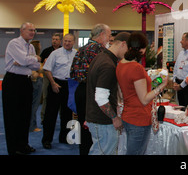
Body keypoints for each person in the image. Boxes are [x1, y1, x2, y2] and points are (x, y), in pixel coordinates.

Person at [116, 32, 168, 155]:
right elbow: (144, 99)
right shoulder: (136, 68)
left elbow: (127, 91)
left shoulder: (121, 64)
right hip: (139, 117)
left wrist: (158, 81)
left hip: (128, 115)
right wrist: (162, 86)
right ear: (142, 49)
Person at [70, 23, 111, 155]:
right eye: (109, 35)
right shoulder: (99, 50)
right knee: (94, 128)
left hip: (80, 90)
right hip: (93, 92)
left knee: (83, 126)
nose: (110, 39)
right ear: (102, 35)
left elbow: (72, 73)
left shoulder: (81, 49)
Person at [85, 32, 130, 155]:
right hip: (102, 120)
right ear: (123, 44)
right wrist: (114, 118)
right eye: (128, 49)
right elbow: (100, 98)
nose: (128, 54)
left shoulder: (101, 57)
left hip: (97, 118)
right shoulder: (108, 65)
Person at [2, 22, 41, 155]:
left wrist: (28, 60)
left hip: (26, 82)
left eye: (34, 30)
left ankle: (23, 144)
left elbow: (36, 66)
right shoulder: (14, 43)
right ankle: (14, 149)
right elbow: (27, 62)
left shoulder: (30, 47)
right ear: (22, 31)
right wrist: (32, 59)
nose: (32, 32)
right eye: (30, 30)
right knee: (13, 116)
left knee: (25, 115)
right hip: (13, 81)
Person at [41, 33, 77, 149]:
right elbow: (46, 69)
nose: (67, 43)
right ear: (63, 41)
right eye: (65, 41)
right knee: (50, 115)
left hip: (69, 85)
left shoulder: (77, 54)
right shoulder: (55, 53)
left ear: (73, 42)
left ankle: (64, 137)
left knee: (67, 114)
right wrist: (52, 83)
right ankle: (47, 140)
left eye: (69, 41)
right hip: (55, 84)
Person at [39, 32, 62, 124]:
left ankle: (62, 118)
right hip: (47, 76)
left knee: (61, 98)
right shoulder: (46, 51)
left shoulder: (63, 51)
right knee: (45, 97)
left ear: (60, 41)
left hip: (59, 77)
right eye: (53, 39)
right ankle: (43, 118)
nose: (54, 41)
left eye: (56, 39)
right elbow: (39, 64)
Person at [29, 40, 44, 133]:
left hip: (35, 81)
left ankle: (31, 125)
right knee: (34, 105)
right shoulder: (34, 58)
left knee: (32, 105)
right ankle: (32, 126)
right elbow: (38, 70)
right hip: (35, 82)